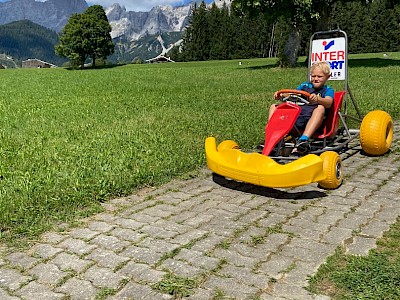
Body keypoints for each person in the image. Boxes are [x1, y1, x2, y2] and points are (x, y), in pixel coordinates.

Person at [269, 61, 334, 153]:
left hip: (313, 122)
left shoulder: (327, 90)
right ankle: (272, 135)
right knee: (274, 106)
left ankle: (303, 139)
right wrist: (282, 94)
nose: (315, 79)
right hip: (296, 119)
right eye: (313, 76)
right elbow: (292, 93)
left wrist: (318, 99)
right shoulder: (304, 86)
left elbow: (329, 102)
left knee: (320, 108)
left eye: (319, 77)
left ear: (327, 77)